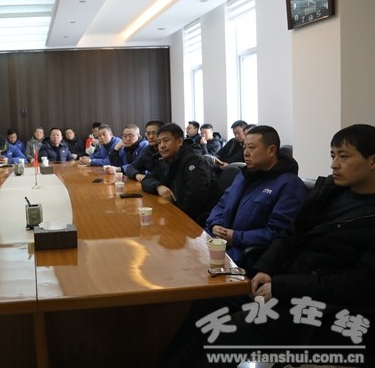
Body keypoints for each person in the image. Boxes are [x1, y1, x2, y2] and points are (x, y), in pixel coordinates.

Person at [158, 124, 375, 367]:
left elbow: (358, 284)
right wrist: (265, 269)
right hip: (283, 282)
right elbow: (289, 234)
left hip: (319, 305)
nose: (334, 164)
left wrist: (280, 286)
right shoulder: (330, 193)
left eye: (343, 156)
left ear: (372, 161)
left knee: (224, 332)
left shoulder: (363, 211)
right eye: (333, 156)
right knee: (205, 305)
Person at [204, 125, 308, 269]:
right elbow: (222, 204)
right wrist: (215, 224)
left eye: (251, 148)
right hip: (220, 246)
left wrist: (236, 237)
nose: (246, 153)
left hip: (246, 257)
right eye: (244, 147)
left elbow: (279, 233)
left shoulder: (290, 185)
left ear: (271, 150)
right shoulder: (243, 176)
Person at [141, 123, 218, 220]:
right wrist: (158, 186)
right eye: (159, 142)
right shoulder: (166, 159)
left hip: (197, 220)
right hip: (173, 211)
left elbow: (193, 201)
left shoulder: (194, 161)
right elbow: (147, 180)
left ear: (179, 141)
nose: (162, 146)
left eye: (166, 141)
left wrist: (173, 218)